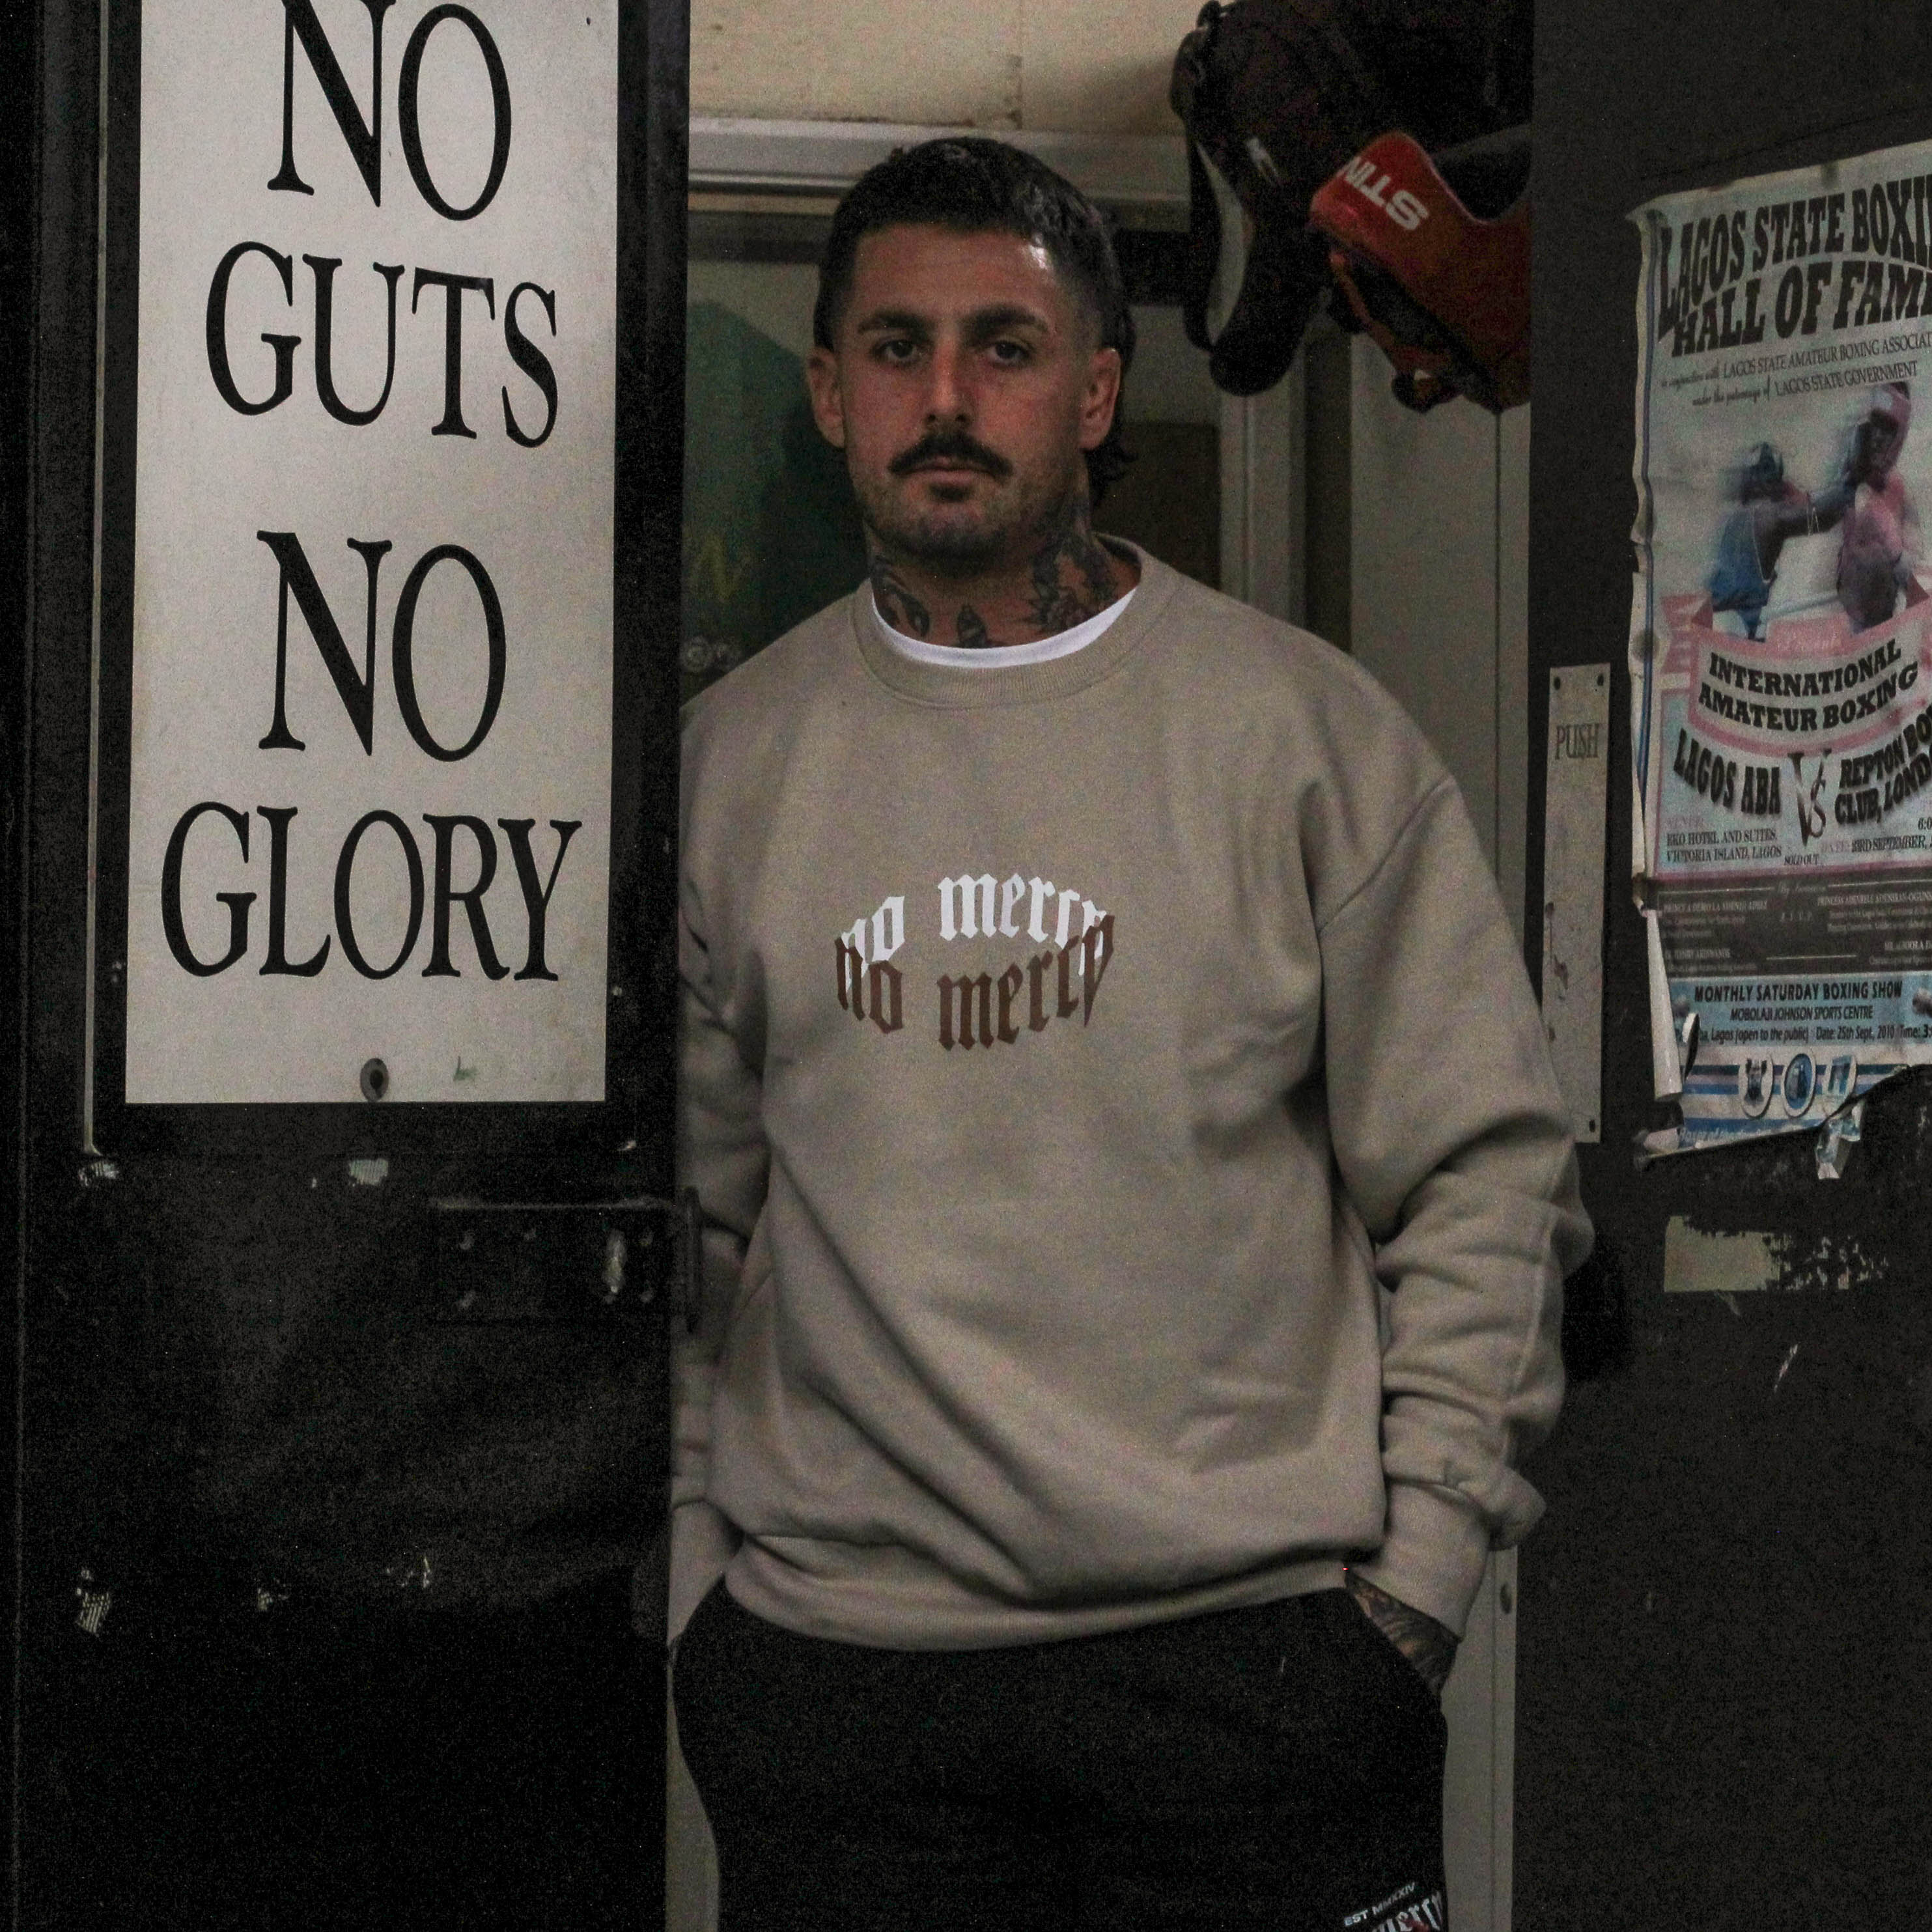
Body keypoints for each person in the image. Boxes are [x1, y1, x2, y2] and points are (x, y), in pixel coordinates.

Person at [671, 136, 1589, 1932]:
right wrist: (707, 1582)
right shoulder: (730, 766)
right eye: (896, 347)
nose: (946, 398)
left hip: (1252, 1677)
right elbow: (688, 1237)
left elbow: (1483, 1171)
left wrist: (1411, 1585)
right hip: (842, 1688)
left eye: (1004, 347)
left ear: (1094, 391)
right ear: (829, 393)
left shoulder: (1299, 735)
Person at [1709, 441, 1851, 638]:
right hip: (1736, 630)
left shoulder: (1733, 519)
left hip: (1718, 621)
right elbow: (1824, 517)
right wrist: (1851, 480)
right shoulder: (1767, 517)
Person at [1837, 382, 1920, 632]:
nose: (1878, 436)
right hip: (1856, 612)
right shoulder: (1852, 478)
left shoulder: (1898, 487)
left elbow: (1912, 558)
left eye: (1888, 429)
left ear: (1900, 435)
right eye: (1876, 424)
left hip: (1885, 615)